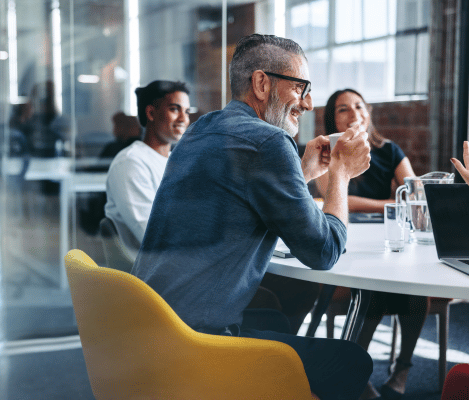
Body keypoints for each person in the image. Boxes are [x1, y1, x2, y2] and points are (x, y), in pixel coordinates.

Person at [132, 34, 373, 399]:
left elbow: (240, 196)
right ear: (262, 83)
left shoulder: (202, 128)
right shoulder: (269, 143)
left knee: (273, 316)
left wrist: (302, 171)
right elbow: (324, 252)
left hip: (152, 329)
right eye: (301, 87)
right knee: (352, 361)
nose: (308, 103)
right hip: (194, 344)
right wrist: (340, 173)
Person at [316, 88, 428, 400]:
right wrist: (388, 204)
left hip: (388, 240)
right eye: (342, 109)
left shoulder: (389, 150)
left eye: (358, 106)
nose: (353, 114)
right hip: (347, 240)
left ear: (368, 113)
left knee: (415, 288)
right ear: (332, 118)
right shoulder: (328, 150)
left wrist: (403, 199)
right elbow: (336, 198)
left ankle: (402, 368)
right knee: (371, 286)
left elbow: (415, 193)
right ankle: (356, 372)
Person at [104, 80, 191, 259]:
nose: (183, 119)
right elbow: (153, 236)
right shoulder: (131, 163)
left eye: (187, 111)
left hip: (178, 261)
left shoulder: (173, 162)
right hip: (154, 271)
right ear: (151, 113)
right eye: (175, 109)